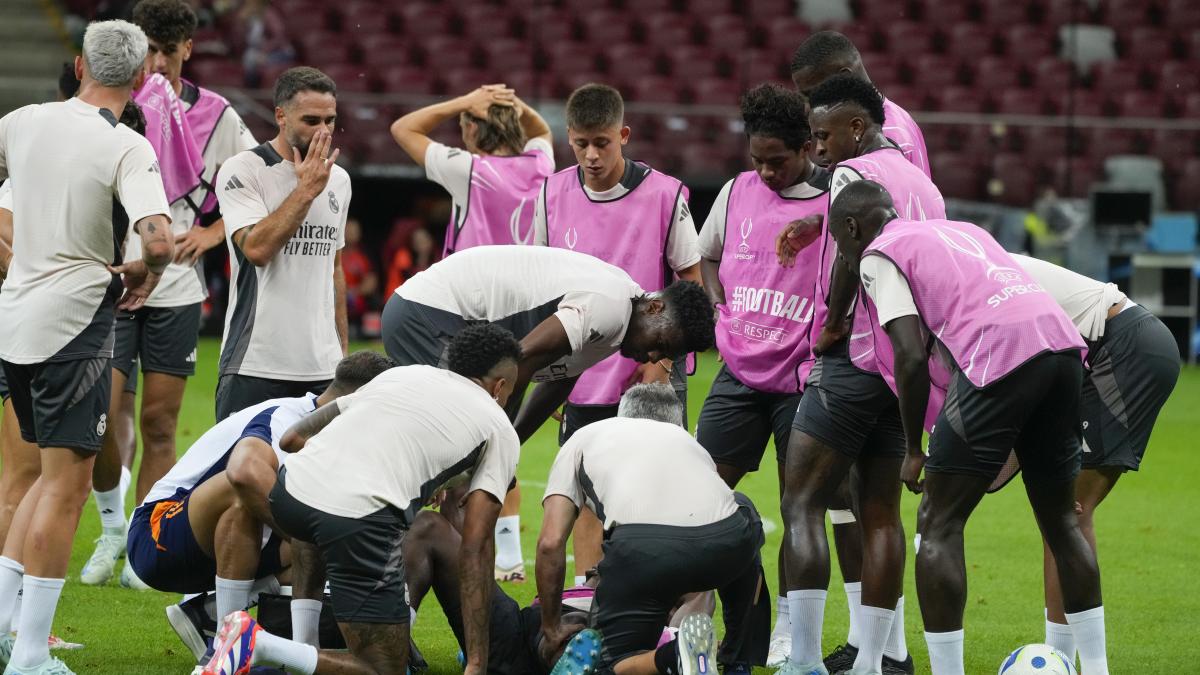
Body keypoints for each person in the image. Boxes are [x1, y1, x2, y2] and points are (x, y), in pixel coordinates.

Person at [829, 180, 1110, 675]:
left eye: (839, 241)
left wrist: (912, 448)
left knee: (937, 523)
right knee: (1063, 522)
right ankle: (1097, 668)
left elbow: (910, 356)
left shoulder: (878, 254)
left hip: (1001, 354)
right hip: (1062, 349)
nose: (843, 256)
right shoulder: (960, 229)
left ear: (852, 228)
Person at [202, 325, 591, 675]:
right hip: (355, 516)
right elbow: (475, 546)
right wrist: (476, 662)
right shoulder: (498, 425)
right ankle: (258, 645)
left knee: (314, 513)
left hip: (289, 492)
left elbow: (292, 440)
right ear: (500, 387)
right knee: (382, 667)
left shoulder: (404, 375)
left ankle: (301, 651)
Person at [0, 19, 173, 675]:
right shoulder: (126, 146)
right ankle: (30, 655)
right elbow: (157, 239)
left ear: (78, 65)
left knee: (38, 482)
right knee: (63, 490)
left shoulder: (21, 122)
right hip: (72, 321)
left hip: (14, 322)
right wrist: (141, 275)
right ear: (140, 78)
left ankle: (6, 634)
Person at [775, 74, 946, 675]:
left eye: (823, 136)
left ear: (856, 127)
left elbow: (855, 255)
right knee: (881, 513)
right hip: (906, 369)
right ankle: (875, 662)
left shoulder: (853, 175)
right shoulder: (923, 182)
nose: (818, 149)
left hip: (857, 356)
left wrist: (832, 320)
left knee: (801, 503)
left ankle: (801, 663)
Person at [533, 82, 703, 584]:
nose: (590, 154)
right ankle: (590, 598)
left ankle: (657, 599)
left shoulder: (666, 194)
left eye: (601, 143)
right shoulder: (549, 193)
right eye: (580, 143)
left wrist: (662, 363)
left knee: (657, 487)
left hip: (650, 367)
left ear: (623, 135)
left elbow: (689, 285)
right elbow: (543, 286)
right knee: (586, 487)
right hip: (582, 372)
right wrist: (554, 372)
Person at [124, 351, 391, 662]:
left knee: (333, 529)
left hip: (217, 548)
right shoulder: (285, 416)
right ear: (358, 399)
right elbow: (243, 474)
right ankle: (228, 650)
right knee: (247, 493)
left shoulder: (339, 439)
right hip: (157, 535)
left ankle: (217, 618)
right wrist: (302, 538)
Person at [695, 83, 830, 667]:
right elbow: (706, 255)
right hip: (738, 374)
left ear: (807, 149)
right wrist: (719, 305)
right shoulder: (736, 191)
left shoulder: (834, 202)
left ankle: (788, 637)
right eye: (757, 159)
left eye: (777, 160)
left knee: (799, 506)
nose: (766, 170)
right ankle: (692, 622)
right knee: (698, 495)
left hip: (800, 379)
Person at [1008, 255, 1180, 664]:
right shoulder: (983, 265)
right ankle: (1062, 660)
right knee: (1061, 517)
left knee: (1065, 516)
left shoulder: (976, 281)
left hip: (1121, 349)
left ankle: (1068, 663)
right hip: (1125, 344)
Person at [537, 383, 769, 674]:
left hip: (641, 552)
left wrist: (551, 627)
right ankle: (736, 659)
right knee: (743, 509)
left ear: (622, 415)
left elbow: (550, 542)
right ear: (673, 420)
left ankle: (673, 654)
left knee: (613, 662)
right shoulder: (687, 441)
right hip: (726, 545)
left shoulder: (583, 437)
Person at [381, 245, 714, 442]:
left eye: (663, 355)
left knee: (458, 448)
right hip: (427, 313)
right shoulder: (610, 305)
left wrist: (512, 445)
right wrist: (497, 444)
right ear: (655, 307)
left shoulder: (623, 320)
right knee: (454, 443)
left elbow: (559, 381)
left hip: (436, 316)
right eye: (659, 341)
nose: (653, 356)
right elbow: (517, 362)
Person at [213, 66, 350, 421]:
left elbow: (334, 269)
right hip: (256, 362)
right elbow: (257, 250)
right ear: (280, 116)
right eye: (311, 120)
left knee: (318, 476)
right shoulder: (244, 170)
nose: (323, 132)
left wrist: (342, 355)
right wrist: (305, 190)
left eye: (330, 120)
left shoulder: (339, 181)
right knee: (239, 474)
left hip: (323, 368)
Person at [402, 509, 601, 675]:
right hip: (520, 627)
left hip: (569, 628)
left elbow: (550, 545)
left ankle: (570, 656)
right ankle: (396, 645)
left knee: (581, 629)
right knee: (428, 526)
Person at [390, 84, 555, 255]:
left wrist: (465, 102)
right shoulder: (540, 164)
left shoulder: (470, 170)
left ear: (471, 128)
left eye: (462, 127)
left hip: (475, 279)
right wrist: (513, 102)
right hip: (529, 277)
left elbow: (403, 129)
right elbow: (541, 132)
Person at [790, 31, 929, 177]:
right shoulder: (899, 116)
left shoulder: (882, 137)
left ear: (844, 76)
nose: (810, 104)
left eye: (812, 93)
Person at [339, 218, 378, 332]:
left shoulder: (364, 255)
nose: (352, 233)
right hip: (336, 298)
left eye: (355, 230)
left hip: (356, 300)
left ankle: (371, 334)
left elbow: (371, 282)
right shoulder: (332, 253)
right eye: (349, 230)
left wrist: (352, 293)